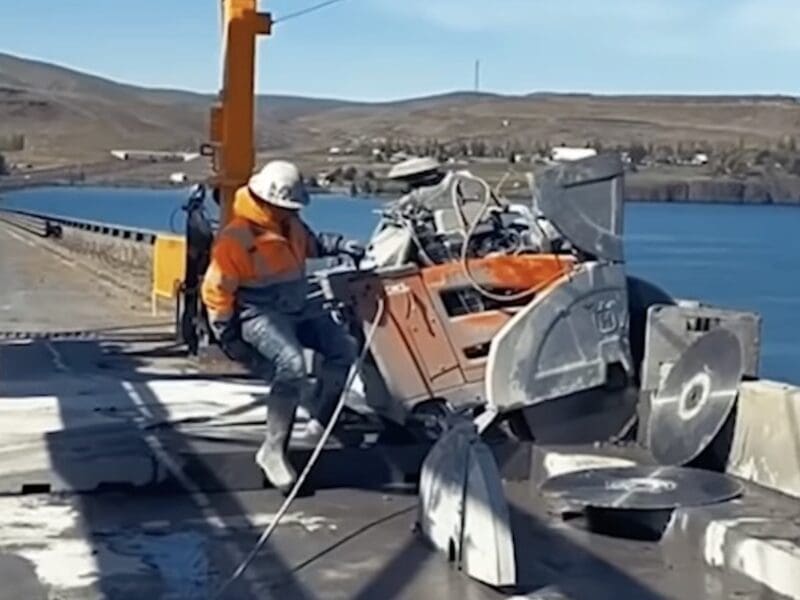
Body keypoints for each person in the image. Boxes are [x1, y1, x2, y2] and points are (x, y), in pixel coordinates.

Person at [201, 160, 365, 493]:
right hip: (256, 311)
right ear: (266, 201)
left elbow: (314, 245)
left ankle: (322, 419)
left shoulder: (292, 226)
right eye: (284, 207)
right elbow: (216, 290)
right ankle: (273, 451)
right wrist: (226, 334)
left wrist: (342, 245)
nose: (289, 212)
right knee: (290, 365)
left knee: (343, 350)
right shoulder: (235, 239)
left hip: (297, 304)